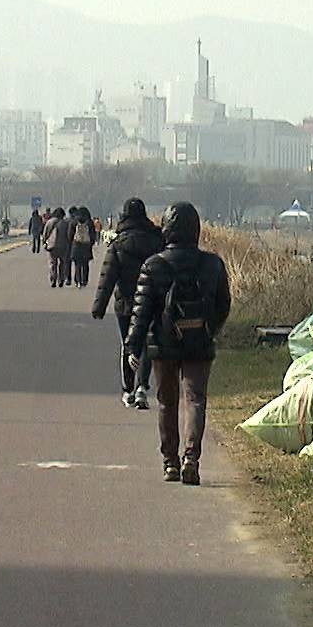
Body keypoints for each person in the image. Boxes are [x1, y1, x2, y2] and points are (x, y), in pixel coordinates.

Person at [125, 202, 231, 485]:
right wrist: (210, 329)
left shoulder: (153, 265)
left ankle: (170, 462)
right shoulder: (213, 264)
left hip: (163, 344)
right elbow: (224, 304)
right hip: (200, 342)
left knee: (166, 402)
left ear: (167, 229)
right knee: (195, 399)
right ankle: (191, 458)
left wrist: (133, 345)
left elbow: (141, 312)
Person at [91, 197, 164, 409]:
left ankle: (128, 389)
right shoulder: (157, 241)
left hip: (125, 302)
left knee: (128, 343)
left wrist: (99, 307)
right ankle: (142, 387)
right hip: (151, 301)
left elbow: (107, 278)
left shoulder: (118, 244)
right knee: (147, 343)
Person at [44, 204, 74, 287]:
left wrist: (45, 242)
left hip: (52, 245)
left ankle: (53, 279)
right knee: (62, 263)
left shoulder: (50, 222)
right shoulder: (66, 223)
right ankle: (61, 279)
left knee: (53, 263)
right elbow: (68, 235)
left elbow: (45, 234)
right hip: (63, 246)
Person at [69, 205, 96, 288]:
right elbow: (93, 235)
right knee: (85, 264)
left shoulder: (74, 221)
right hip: (86, 245)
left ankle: (78, 280)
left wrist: (72, 242)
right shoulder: (90, 222)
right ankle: (84, 280)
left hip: (76, 244)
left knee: (77, 264)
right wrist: (91, 243)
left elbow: (70, 234)